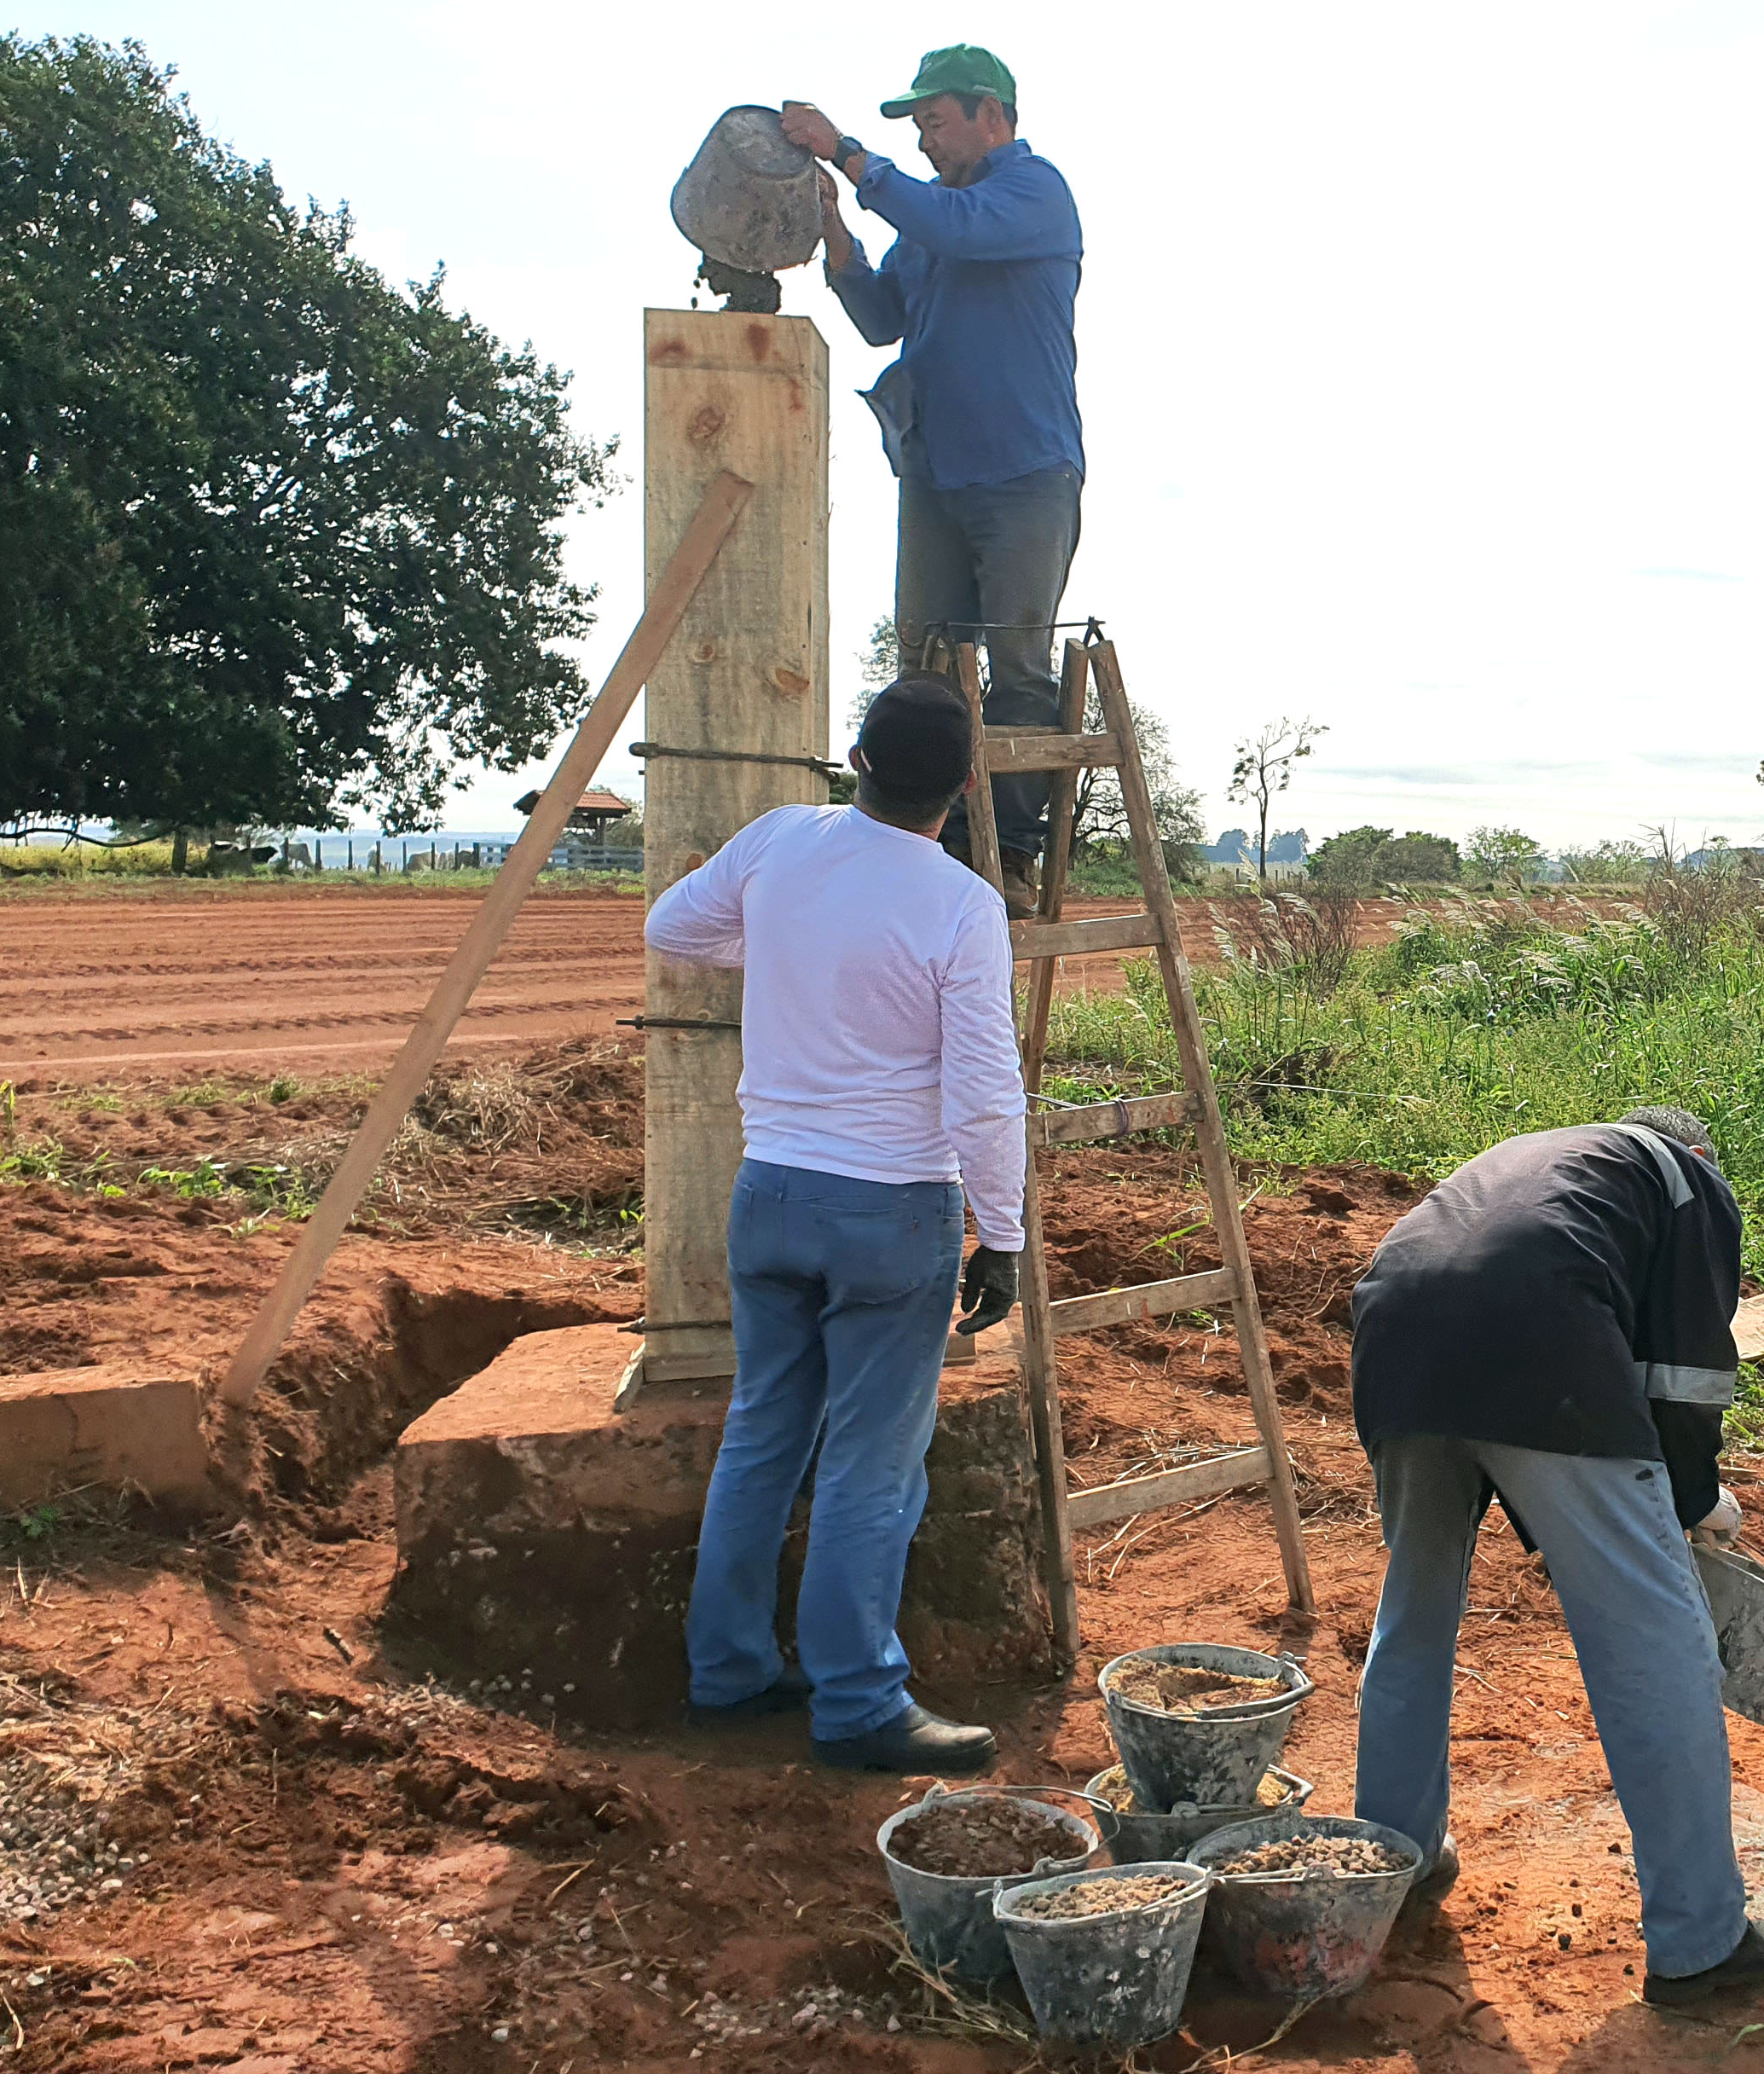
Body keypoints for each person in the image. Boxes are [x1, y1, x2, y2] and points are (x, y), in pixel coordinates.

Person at [645, 676, 1033, 1773]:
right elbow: (985, 1094)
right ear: (962, 784)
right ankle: (858, 1700)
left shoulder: (780, 840)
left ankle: (726, 1671)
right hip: (893, 1208)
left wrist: (778, 949)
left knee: (764, 1428)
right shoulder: (960, 905)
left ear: (855, 758)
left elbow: (671, 925)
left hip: (768, 1192)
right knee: (872, 1460)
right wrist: (999, 1233)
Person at [1347, 1109, 1764, 2006]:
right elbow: (1683, 1373)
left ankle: (1391, 1860)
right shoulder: (1687, 1178)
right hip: (1529, 1335)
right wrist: (1694, 1502)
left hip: (1394, 1335)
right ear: (1700, 1154)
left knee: (1413, 1613)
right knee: (1654, 1638)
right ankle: (1701, 1938)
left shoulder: (1543, 1160)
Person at [782, 48, 1084, 912]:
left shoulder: (1031, 195)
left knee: (1019, 665)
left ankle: (1011, 858)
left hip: (1028, 471)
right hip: (936, 472)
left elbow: (952, 229)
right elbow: (883, 319)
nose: (923, 143)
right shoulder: (934, 222)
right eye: (915, 129)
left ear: (993, 115)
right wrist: (837, 229)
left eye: (935, 122)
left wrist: (844, 150)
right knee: (926, 664)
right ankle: (928, 849)